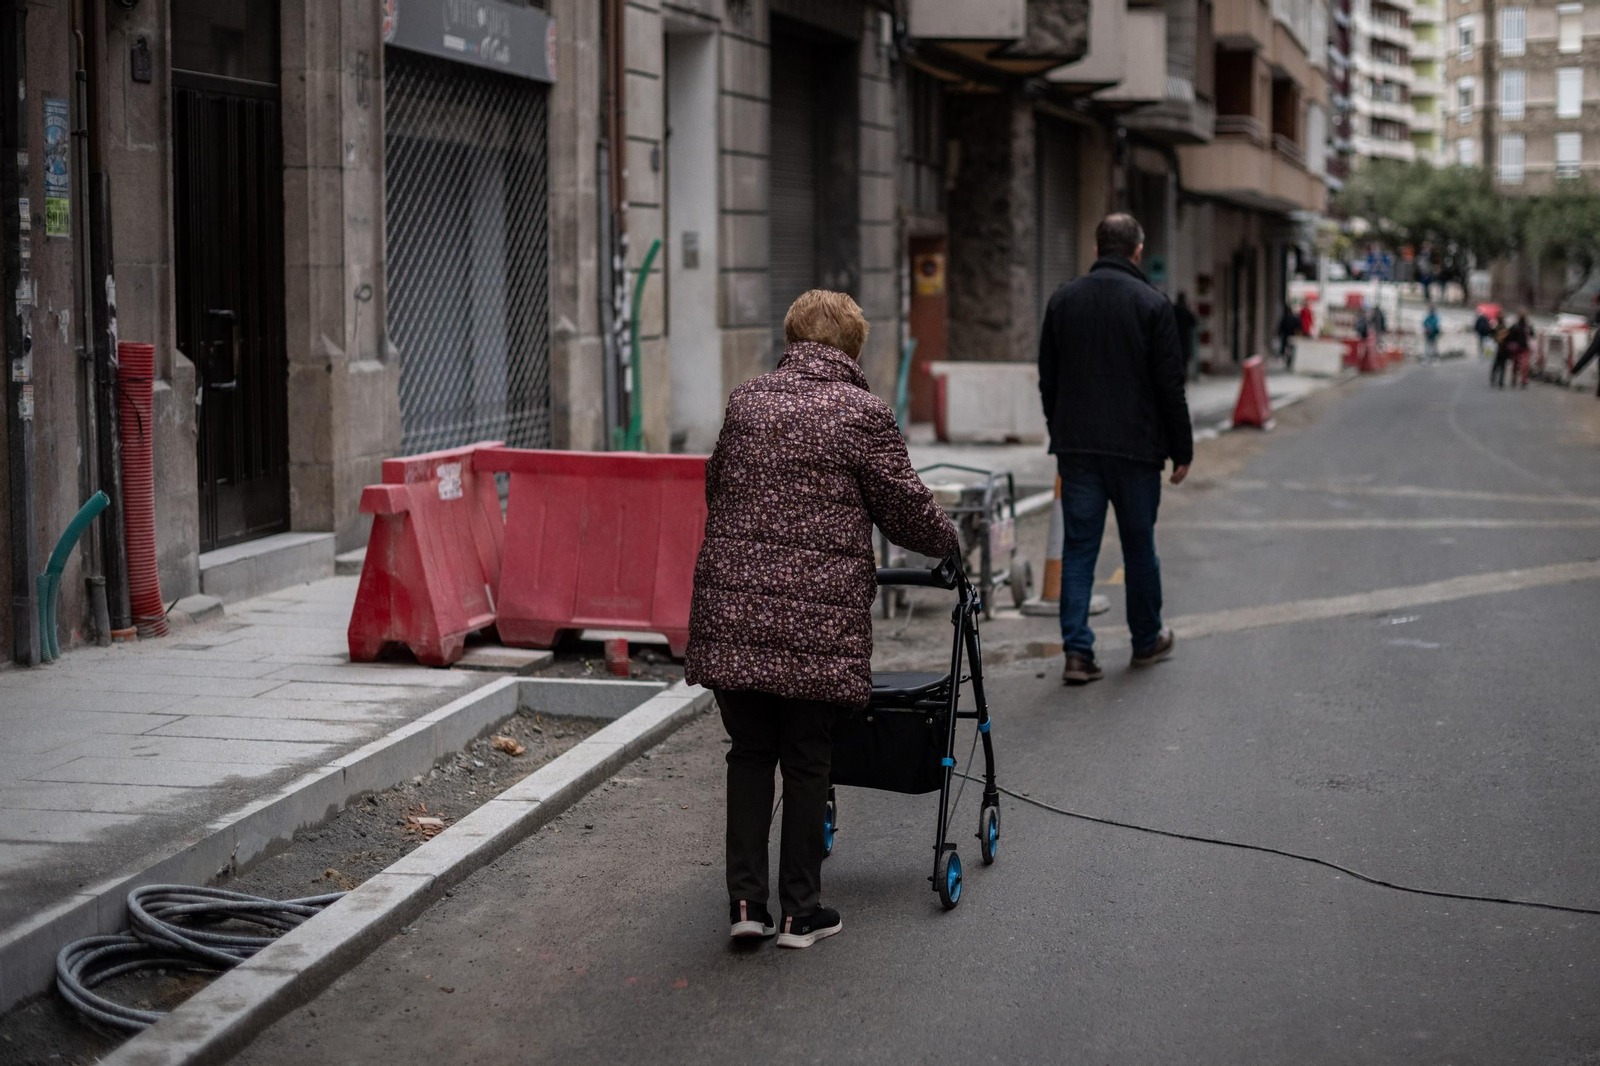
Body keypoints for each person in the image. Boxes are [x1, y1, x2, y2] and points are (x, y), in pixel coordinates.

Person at [686, 290, 959, 950]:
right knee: (808, 758)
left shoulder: (747, 399)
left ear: (791, 337)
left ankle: (747, 903)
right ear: (853, 348)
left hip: (734, 608)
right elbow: (904, 510)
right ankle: (798, 913)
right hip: (816, 621)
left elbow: (716, 483)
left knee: (750, 752)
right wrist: (950, 543)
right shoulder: (862, 412)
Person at [1038, 213, 1193, 686]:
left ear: (1097, 246)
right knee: (1139, 548)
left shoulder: (1063, 301)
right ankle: (1146, 639)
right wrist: (1181, 448)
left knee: (1079, 550)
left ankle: (1078, 654)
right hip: (1137, 450)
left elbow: (1049, 378)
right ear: (1137, 250)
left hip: (1078, 450)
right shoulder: (1152, 304)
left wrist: (1059, 428)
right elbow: (1170, 386)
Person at [1173, 292, 1199, 381]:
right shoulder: (1185, 310)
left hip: (1175, 337)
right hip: (1184, 338)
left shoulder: (1174, 308)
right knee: (1184, 359)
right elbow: (1194, 322)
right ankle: (1183, 376)